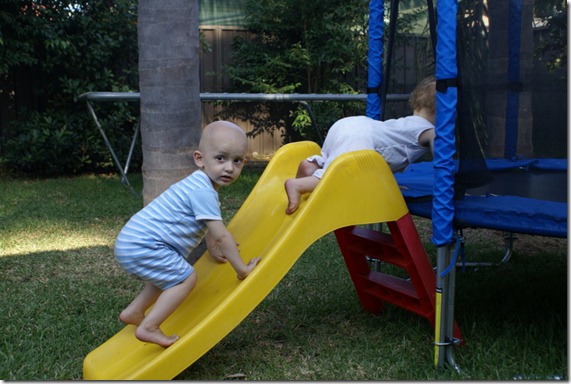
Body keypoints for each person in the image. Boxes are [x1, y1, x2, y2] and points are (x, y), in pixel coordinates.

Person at [114, 120, 262, 348]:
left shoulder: (200, 185)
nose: (229, 168)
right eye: (221, 158)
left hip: (133, 242)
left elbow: (207, 227)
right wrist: (242, 269)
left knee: (169, 275)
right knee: (185, 278)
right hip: (143, 244)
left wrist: (212, 248)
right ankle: (149, 327)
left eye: (237, 161)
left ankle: (134, 312)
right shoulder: (203, 191)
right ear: (200, 159)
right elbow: (221, 235)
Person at [284, 76, 437, 215]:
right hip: (359, 135)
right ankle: (298, 185)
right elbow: (440, 154)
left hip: (348, 125)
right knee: (340, 177)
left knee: (335, 162)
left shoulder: (406, 123)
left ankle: (312, 167)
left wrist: (389, 185)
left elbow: (385, 157)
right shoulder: (428, 130)